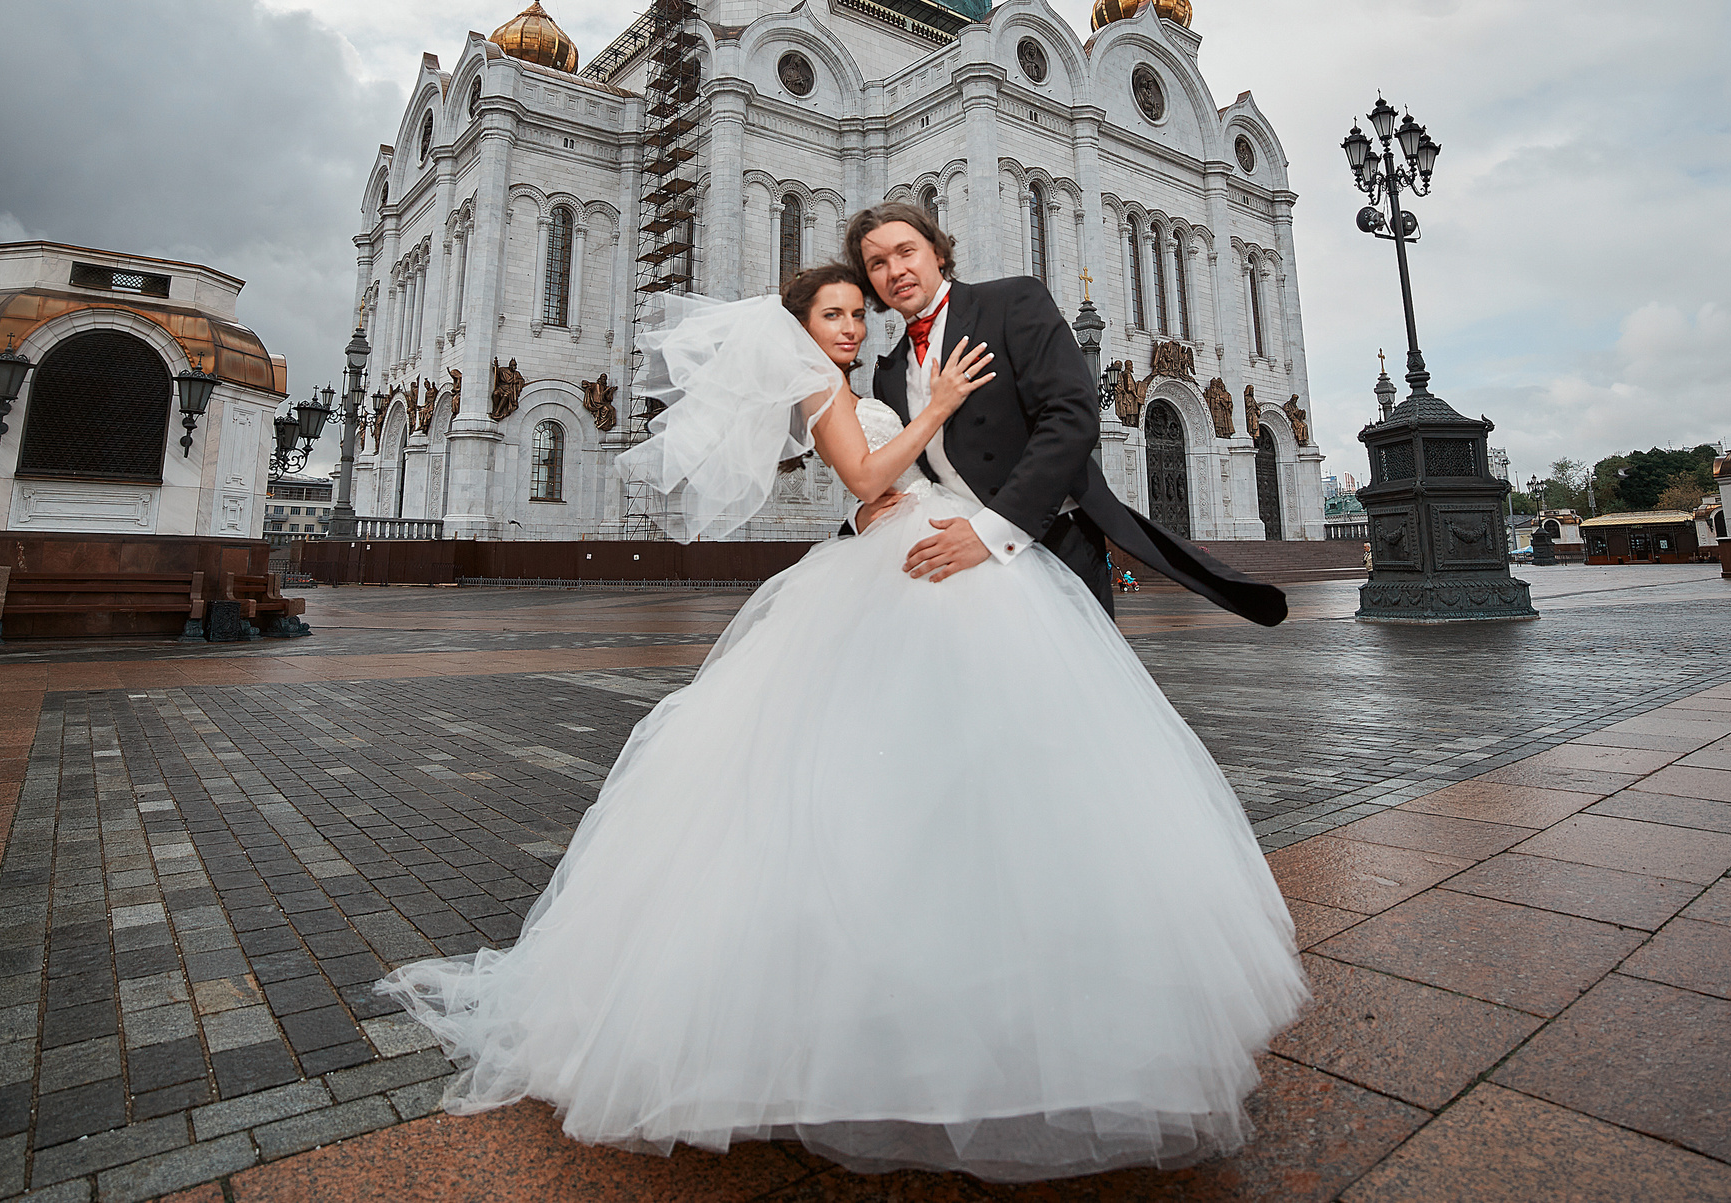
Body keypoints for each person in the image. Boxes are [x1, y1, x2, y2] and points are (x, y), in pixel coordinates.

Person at [376, 263, 1308, 1182]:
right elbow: (864, 470)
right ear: (801, 323)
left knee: (920, 764)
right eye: (837, 310)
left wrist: (892, 484)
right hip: (906, 564)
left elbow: (867, 493)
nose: (854, 325)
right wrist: (937, 408)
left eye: (859, 312)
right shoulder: (826, 386)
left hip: (908, 554)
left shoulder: (853, 378)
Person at [846, 202, 1287, 625]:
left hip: (1054, 545)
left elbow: (1071, 416)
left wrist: (990, 531)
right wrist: (862, 518)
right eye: (877, 263)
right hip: (962, 566)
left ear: (938, 253)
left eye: (906, 251)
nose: (896, 270)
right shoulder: (889, 373)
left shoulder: (1011, 303)